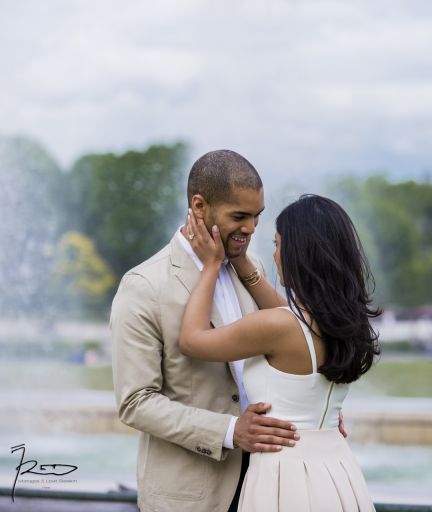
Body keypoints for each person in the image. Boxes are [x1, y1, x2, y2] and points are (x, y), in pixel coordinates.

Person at [111, 150, 322, 512]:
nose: (251, 229)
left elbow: (294, 335)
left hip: (266, 481)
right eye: (239, 216)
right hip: (191, 495)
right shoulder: (143, 285)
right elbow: (135, 402)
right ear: (198, 206)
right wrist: (228, 431)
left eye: (257, 217)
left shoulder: (250, 266)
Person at [179, 194, 379, 511]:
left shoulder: (277, 327)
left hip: (286, 477)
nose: (274, 255)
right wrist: (241, 261)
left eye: (277, 244)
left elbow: (191, 340)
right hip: (338, 472)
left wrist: (212, 266)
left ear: (298, 253)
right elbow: (288, 314)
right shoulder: (342, 322)